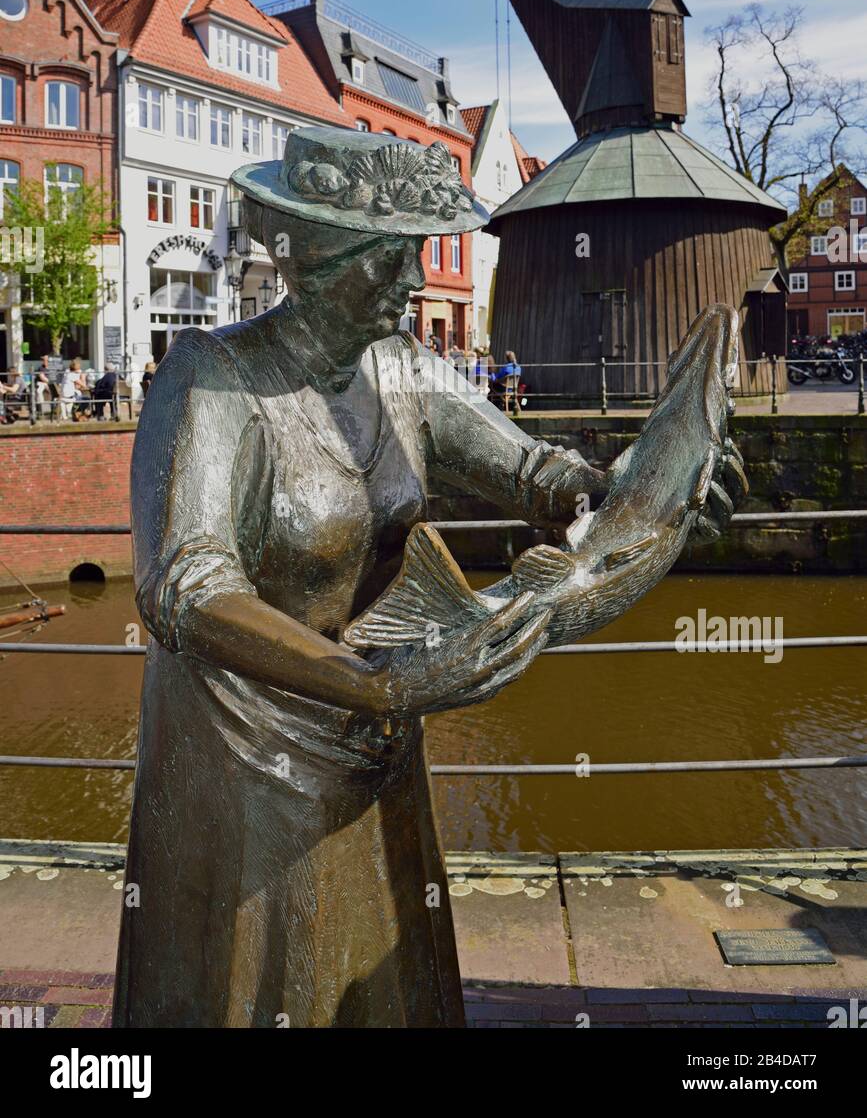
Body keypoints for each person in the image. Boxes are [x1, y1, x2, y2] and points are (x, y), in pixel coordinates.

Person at [113, 127, 740, 1030]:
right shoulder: (212, 381)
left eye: (416, 255)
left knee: (384, 969)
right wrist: (365, 683)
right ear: (321, 262)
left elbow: (536, 475)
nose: (414, 281)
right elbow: (185, 586)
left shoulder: (401, 371)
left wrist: (643, 495)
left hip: (377, 722)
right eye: (391, 259)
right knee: (250, 979)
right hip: (245, 753)